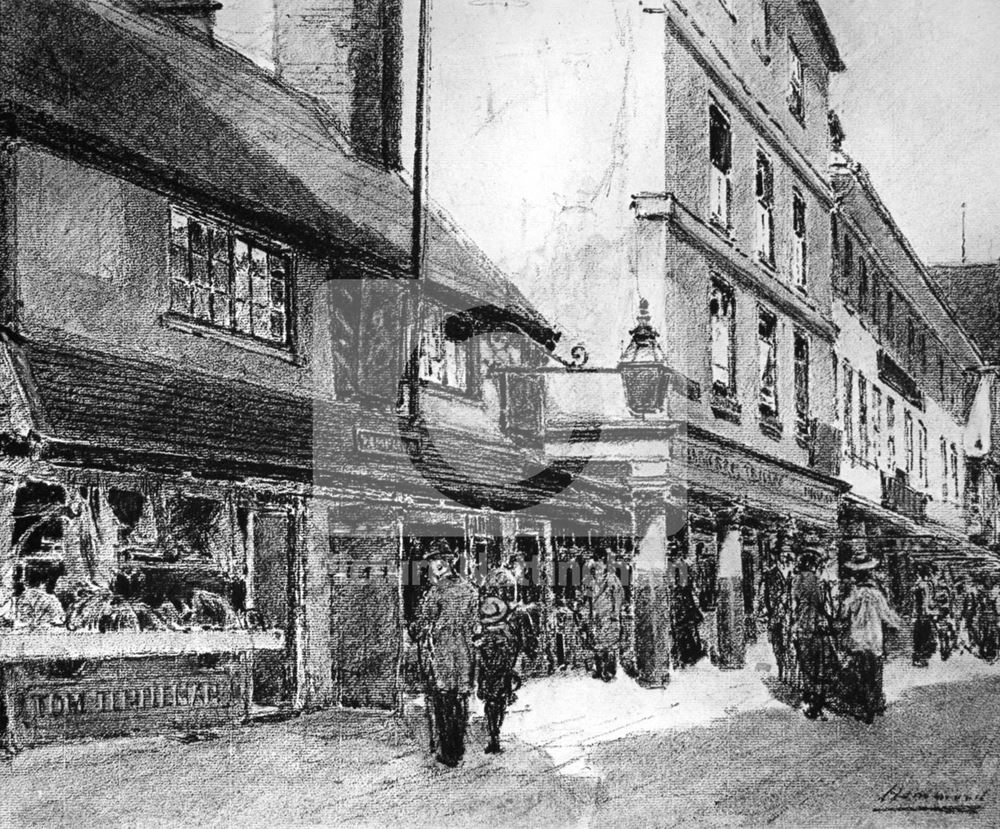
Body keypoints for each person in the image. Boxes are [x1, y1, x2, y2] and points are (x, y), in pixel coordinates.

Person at [412, 541, 479, 767]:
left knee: (442, 702)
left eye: (432, 564)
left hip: (442, 654)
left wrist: (418, 630)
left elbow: (424, 621)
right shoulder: (470, 590)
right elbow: (474, 623)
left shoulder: (437, 591)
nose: (431, 568)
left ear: (441, 564)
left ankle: (446, 752)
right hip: (464, 653)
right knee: (460, 702)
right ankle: (457, 748)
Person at [841, 556, 901, 724]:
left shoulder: (853, 595)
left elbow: (844, 614)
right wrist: (897, 625)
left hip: (858, 640)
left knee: (860, 672)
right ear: (870, 575)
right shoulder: (876, 594)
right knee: (875, 672)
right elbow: (887, 616)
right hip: (874, 639)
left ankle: (862, 703)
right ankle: (874, 703)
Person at [791, 547, 837, 720]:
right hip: (817, 627)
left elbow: (792, 606)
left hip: (801, 627)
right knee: (820, 665)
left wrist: (793, 626)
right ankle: (817, 703)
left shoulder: (795, 581)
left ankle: (808, 699)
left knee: (806, 664)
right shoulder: (819, 582)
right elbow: (827, 607)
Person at [475, 595, 524, 754]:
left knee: (490, 704)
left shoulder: (484, 636)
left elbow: (480, 657)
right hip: (503, 674)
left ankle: (493, 733)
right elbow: (514, 652)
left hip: (489, 675)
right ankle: (495, 732)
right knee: (500, 702)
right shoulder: (507, 633)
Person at [579, 548, 625, 682]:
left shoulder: (611, 579)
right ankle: (598, 669)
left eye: (600, 561)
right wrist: (585, 611)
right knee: (596, 643)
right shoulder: (589, 580)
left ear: (604, 562)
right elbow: (586, 598)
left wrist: (615, 613)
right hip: (595, 616)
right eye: (595, 561)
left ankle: (609, 670)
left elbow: (618, 596)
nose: (597, 564)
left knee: (609, 644)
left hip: (608, 615)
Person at [761, 547, 793, 682]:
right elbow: (764, 595)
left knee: (791, 644)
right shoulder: (770, 574)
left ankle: (790, 672)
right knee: (777, 643)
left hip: (791, 614)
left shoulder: (794, 574)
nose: (785, 556)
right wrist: (765, 611)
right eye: (782, 553)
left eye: (788, 553)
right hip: (775, 614)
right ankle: (781, 668)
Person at [911, 565, 937, 667]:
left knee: (918, 636)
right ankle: (923, 658)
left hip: (919, 613)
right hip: (923, 613)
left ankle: (918, 658)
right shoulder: (926, 585)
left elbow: (916, 601)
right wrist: (929, 611)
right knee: (925, 635)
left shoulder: (918, 585)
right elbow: (927, 600)